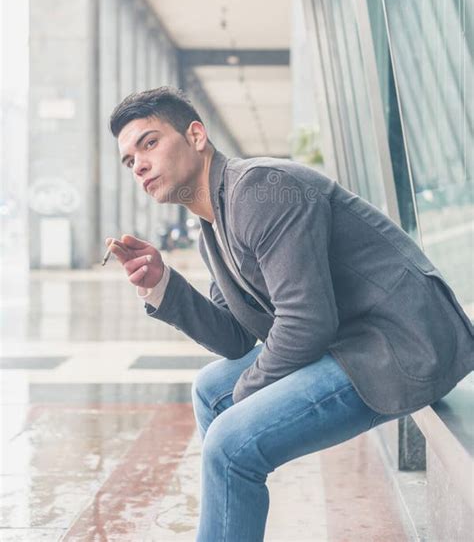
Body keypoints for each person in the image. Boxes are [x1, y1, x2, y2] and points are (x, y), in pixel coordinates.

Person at [106, 86, 473, 542]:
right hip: (352, 337)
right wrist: (162, 285)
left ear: (196, 135)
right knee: (210, 390)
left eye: (149, 142)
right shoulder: (214, 225)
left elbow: (306, 322)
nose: (138, 164)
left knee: (229, 443)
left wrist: (245, 403)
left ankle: (232, 486)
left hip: (403, 343)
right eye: (128, 160)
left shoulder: (260, 189)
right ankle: (232, 509)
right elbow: (236, 337)